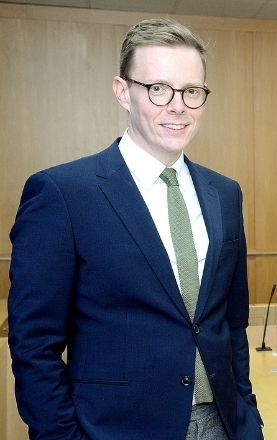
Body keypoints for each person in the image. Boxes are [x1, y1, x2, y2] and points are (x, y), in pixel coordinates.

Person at [8, 18, 263, 439]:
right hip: (113, 428)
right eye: (158, 88)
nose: (177, 106)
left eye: (191, 91)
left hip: (222, 425)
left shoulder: (225, 194)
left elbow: (231, 326)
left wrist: (248, 420)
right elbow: (34, 346)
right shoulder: (62, 194)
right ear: (123, 92)